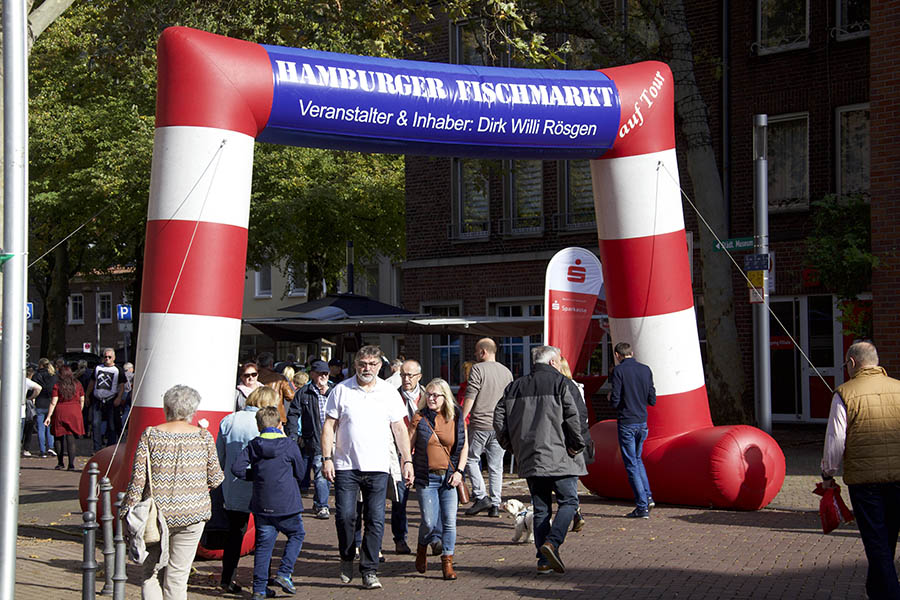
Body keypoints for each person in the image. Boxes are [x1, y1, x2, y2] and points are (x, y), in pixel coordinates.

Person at [321, 345, 415, 590]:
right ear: (355, 364)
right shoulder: (341, 390)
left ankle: (369, 570)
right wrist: (326, 458)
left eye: (373, 364)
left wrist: (407, 461)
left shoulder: (389, 392)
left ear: (380, 366)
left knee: (375, 520)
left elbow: (400, 429)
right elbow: (329, 426)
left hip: (378, 466)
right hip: (345, 465)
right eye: (363, 363)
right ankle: (346, 556)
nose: (367, 368)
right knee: (345, 516)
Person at [122, 385, 224, 600]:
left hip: (156, 517)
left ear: (166, 406)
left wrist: (127, 512)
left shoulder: (151, 434)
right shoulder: (203, 437)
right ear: (193, 410)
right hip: (192, 515)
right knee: (177, 576)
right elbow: (215, 478)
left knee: (151, 573)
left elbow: (138, 479)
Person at [494, 345, 588, 575]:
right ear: (553, 362)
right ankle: (551, 544)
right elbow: (576, 417)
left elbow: (498, 419)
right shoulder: (562, 384)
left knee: (541, 508)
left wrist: (511, 445)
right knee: (568, 502)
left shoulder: (514, 387)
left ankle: (543, 561)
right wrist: (577, 445)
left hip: (530, 457)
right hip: (561, 456)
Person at [821, 340, 900, 599]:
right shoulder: (899, 389)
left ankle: (888, 593)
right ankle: (876, 590)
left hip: (865, 483)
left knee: (876, 542)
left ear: (852, 363)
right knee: (887, 539)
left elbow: (835, 439)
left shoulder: (844, 393)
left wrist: (828, 474)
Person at [232, 406, 306, 600]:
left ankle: (259, 589)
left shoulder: (253, 445)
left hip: (262, 504)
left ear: (259, 426)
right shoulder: (289, 445)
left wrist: (255, 475)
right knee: (297, 534)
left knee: (264, 546)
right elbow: (300, 472)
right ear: (280, 424)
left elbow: (236, 468)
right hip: (287, 503)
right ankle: (284, 572)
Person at [216, 386, 282, 594]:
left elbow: (220, 456)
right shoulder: (271, 424)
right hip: (264, 485)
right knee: (265, 533)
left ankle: (228, 577)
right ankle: (263, 578)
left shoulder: (230, 420)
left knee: (234, 533)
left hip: (235, 484)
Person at [409, 378, 468, 580]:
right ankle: (422, 547)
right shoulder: (420, 417)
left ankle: (447, 563)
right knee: (428, 521)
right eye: (429, 394)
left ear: (445, 397)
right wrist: (407, 467)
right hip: (427, 477)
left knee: (450, 522)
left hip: (450, 478)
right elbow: (408, 447)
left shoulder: (456, 416)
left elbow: (464, 446)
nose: (432, 398)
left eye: (436, 395)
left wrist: (460, 471)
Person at [462, 338, 513, 517]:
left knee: (470, 459)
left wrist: (462, 418)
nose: (475, 355)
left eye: (476, 352)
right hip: (500, 426)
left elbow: (471, 394)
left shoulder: (477, 369)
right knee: (496, 466)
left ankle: (481, 495)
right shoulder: (507, 372)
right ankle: (495, 504)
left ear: (483, 352)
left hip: (480, 423)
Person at [609, 342, 656, 519]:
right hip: (642, 421)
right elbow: (652, 398)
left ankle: (642, 506)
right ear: (632, 353)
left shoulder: (619, 371)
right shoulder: (646, 369)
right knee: (638, 460)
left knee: (631, 464)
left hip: (627, 421)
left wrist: (613, 401)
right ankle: (648, 496)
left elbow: (615, 399)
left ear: (617, 354)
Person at [286, 360, 334, 519]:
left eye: (326, 373)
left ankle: (319, 500)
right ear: (312, 374)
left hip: (334, 439)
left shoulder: (334, 391)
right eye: (320, 373)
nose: (323, 376)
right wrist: (293, 435)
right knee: (320, 471)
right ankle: (322, 505)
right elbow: (293, 413)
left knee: (326, 472)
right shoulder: (304, 392)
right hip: (313, 438)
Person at [390, 359, 428, 555]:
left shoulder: (428, 396)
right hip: (399, 453)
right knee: (400, 499)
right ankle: (400, 538)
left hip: (424, 454)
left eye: (410, 375)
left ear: (419, 377)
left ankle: (432, 535)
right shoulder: (392, 396)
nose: (405, 379)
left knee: (428, 497)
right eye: (403, 375)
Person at [557, 355, 588, 533]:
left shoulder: (562, 387)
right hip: (576, 438)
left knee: (565, 482)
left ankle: (574, 511)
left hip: (565, 439)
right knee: (571, 479)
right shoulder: (577, 386)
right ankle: (575, 510)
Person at [44, 366, 85, 471]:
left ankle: (60, 462)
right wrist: (79, 410)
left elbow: (54, 402)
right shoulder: (78, 384)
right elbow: (82, 399)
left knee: (58, 437)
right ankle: (71, 464)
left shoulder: (58, 385)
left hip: (61, 411)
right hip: (74, 411)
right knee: (71, 438)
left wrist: (49, 416)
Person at [86, 348, 126, 451]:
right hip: (97, 399)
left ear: (114, 358)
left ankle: (110, 448)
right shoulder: (98, 368)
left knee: (112, 425)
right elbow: (92, 382)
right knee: (95, 424)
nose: (107, 359)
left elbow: (121, 386)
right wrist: (87, 395)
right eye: (105, 357)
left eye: (109, 357)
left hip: (111, 400)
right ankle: (97, 448)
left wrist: (119, 398)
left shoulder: (118, 370)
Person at [256, 352, 293, 421]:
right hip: (276, 416)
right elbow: (291, 396)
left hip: (257, 415)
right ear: (271, 363)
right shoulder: (279, 378)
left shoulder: (252, 377)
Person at [32, 358, 57, 458]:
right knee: (50, 427)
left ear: (40, 365)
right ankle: (51, 447)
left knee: (41, 428)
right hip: (50, 403)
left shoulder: (36, 375)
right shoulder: (53, 375)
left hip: (40, 403)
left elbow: (33, 389)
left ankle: (42, 450)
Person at [22, 367, 41, 457]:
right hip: (23, 407)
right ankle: (25, 449)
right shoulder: (26, 381)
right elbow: (38, 388)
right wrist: (31, 398)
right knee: (28, 428)